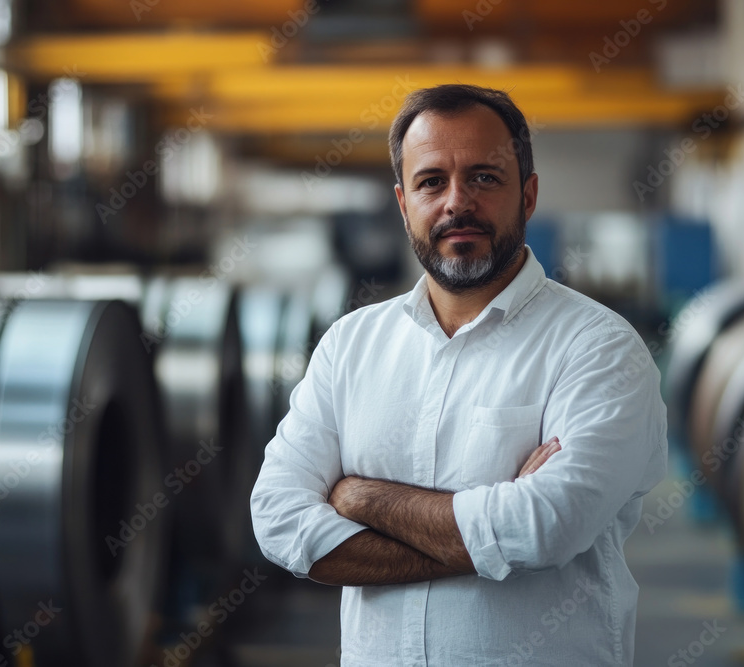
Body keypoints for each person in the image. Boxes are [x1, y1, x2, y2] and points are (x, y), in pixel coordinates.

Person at [250, 83, 667, 666]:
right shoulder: (351, 345)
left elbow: (547, 525)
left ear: (529, 194)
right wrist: (492, 537)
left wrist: (359, 497)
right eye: (431, 182)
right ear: (403, 204)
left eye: (484, 177)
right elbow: (277, 519)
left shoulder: (598, 349)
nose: (456, 202)